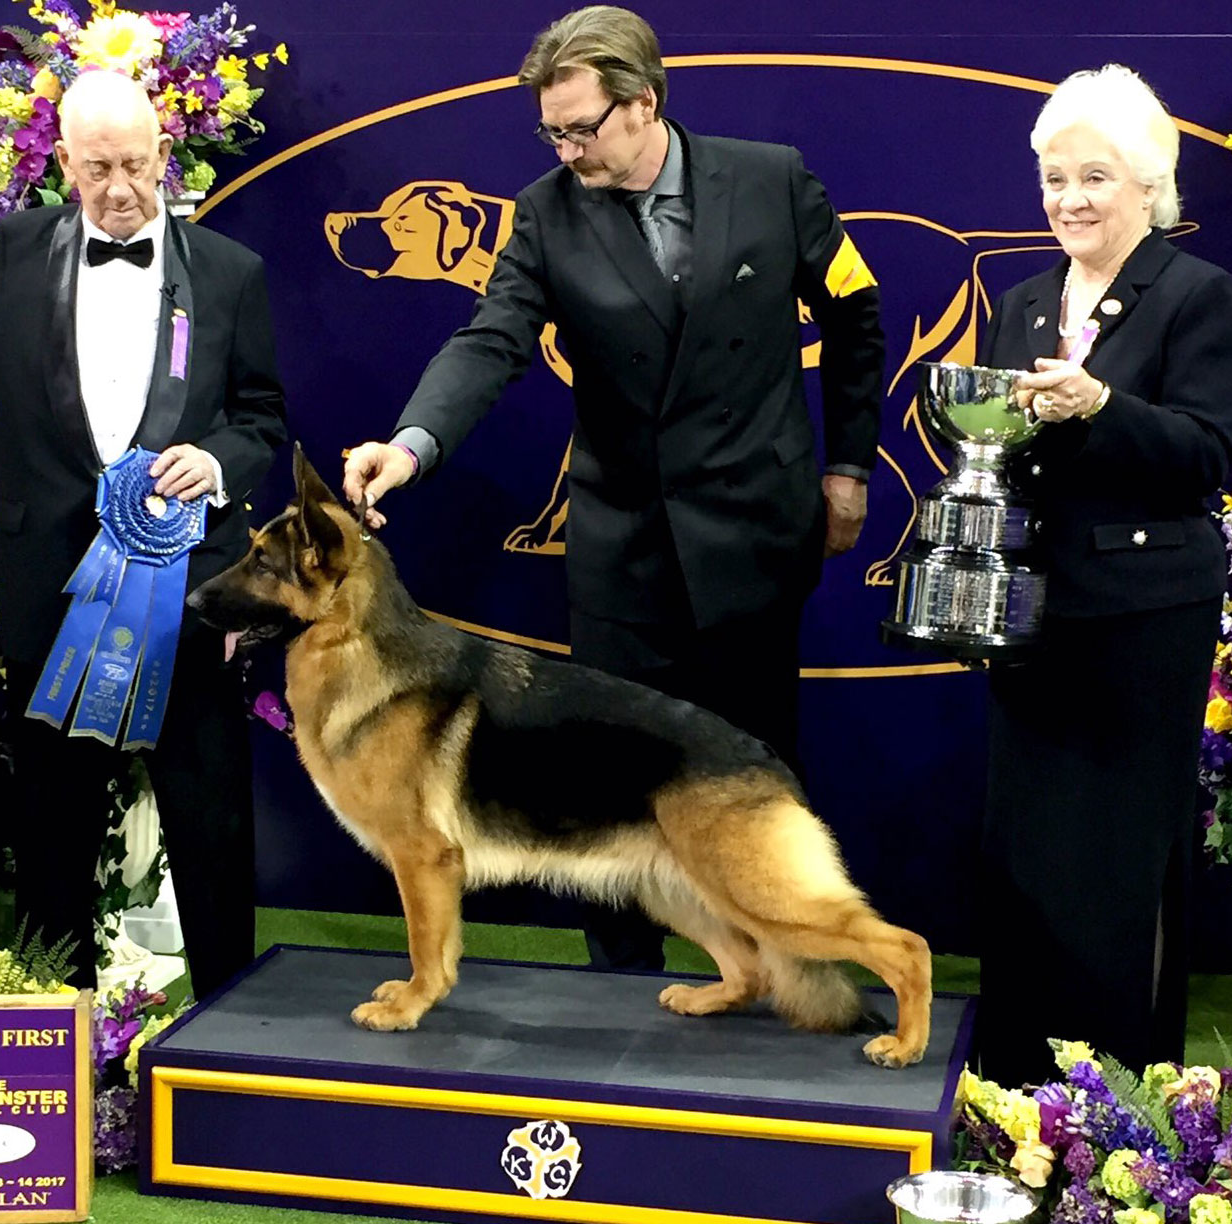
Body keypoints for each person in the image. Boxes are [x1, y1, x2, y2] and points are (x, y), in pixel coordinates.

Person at [341, 6, 884, 973]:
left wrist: (846, 468)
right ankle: (618, 1004)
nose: (567, 148)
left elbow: (856, 321)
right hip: (623, 558)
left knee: (752, 781)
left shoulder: (773, 179)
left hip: (753, 541)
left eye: (581, 128)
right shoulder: (546, 213)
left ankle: (788, 983)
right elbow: (491, 340)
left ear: (646, 104)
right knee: (606, 792)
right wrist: (411, 444)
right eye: (551, 130)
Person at [0, 69, 286, 997]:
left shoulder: (230, 272)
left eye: (135, 166)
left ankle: (229, 1022)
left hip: (182, 591)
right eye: (95, 168)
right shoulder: (16, 251)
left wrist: (219, 463)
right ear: (61, 162)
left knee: (208, 819)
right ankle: (50, 1031)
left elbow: (262, 417)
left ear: (166, 157)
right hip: (48, 584)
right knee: (50, 822)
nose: (118, 189)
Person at [975, 65, 1232, 1085]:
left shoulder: (1195, 295)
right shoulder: (1020, 300)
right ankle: (1009, 1091)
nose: (1069, 199)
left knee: (1117, 872)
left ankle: (1118, 1107)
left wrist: (1099, 405)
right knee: (1024, 861)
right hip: (1030, 618)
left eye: (1093, 176)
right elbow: (996, 445)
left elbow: (1203, 455)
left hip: (1141, 625)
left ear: (1149, 186)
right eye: (1053, 179)